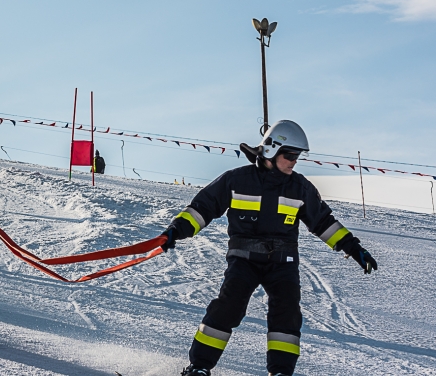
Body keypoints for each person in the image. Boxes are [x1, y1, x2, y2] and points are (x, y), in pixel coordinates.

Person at [160, 120, 378, 376]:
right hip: (244, 260)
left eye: (298, 156)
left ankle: (281, 372)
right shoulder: (236, 180)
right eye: (290, 154)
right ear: (271, 151)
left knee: (287, 314)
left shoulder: (300, 187)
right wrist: (176, 230)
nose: (295, 161)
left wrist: (353, 248)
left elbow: (323, 222)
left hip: (283, 264)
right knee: (228, 307)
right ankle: (198, 367)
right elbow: (202, 208)